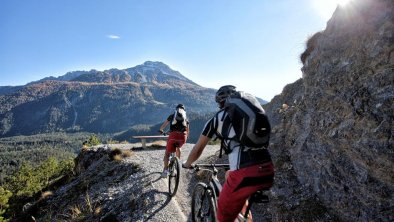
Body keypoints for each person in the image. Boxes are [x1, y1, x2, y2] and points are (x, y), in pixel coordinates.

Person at [182, 85, 274, 222]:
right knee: (228, 174)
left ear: (220, 102)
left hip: (245, 173)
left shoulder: (218, 118)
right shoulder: (249, 115)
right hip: (267, 168)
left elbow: (199, 148)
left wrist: (188, 163)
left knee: (222, 216)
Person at [159, 104, 189, 178]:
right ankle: (177, 164)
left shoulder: (172, 116)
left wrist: (161, 130)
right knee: (179, 147)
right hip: (183, 137)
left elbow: (164, 125)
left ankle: (165, 171)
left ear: (176, 110)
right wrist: (185, 137)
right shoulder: (186, 118)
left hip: (173, 136)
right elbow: (187, 130)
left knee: (167, 154)